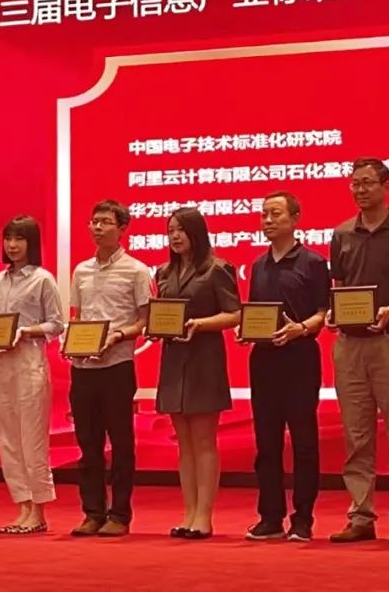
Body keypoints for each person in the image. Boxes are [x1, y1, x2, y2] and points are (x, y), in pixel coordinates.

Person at [328, 157, 389, 545]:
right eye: (355, 183)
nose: (360, 189)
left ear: (386, 187)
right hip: (350, 345)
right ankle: (361, 515)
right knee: (356, 435)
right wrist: (334, 312)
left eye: (367, 182)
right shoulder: (342, 233)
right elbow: (339, 285)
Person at [240, 191, 329, 543]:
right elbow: (255, 312)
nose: (268, 220)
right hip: (264, 360)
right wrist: (246, 330)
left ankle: (303, 518)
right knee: (266, 443)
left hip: (300, 357)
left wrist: (300, 329)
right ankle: (270, 516)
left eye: (275, 213)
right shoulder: (258, 265)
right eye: (264, 214)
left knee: (304, 441)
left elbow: (324, 312)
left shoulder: (313, 262)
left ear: (295, 219)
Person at [152, 207, 241, 540]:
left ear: (197, 233)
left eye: (181, 230)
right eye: (170, 230)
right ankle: (188, 512)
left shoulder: (217, 269)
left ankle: (204, 515)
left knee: (203, 440)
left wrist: (199, 324)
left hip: (204, 359)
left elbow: (235, 314)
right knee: (184, 443)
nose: (175, 236)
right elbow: (163, 313)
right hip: (173, 360)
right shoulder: (164, 271)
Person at [67, 200, 152, 538]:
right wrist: (72, 343)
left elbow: (144, 321)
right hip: (83, 366)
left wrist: (117, 335)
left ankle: (119, 513)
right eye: (94, 221)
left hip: (117, 365)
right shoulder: (81, 271)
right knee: (87, 444)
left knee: (120, 443)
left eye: (105, 222)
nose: (98, 228)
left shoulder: (137, 270)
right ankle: (92, 512)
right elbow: (78, 317)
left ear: (122, 229)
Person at [0, 216, 63, 535]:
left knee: (32, 439)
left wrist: (25, 331)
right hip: (1, 364)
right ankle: (23, 505)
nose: (12, 245)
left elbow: (56, 324)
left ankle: (39, 510)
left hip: (29, 362)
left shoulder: (43, 279)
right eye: (8, 238)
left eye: (19, 239)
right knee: (7, 438)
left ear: (32, 243)